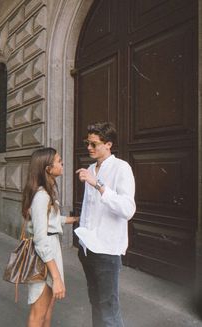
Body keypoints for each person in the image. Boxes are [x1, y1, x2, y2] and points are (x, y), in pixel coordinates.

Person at [75, 122, 136, 327]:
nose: (89, 148)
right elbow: (89, 209)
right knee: (96, 303)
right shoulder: (92, 168)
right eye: (87, 143)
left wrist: (98, 185)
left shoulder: (121, 168)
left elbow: (128, 209)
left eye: (94, 144)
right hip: (87, 249)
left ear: (108, 144)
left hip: (107, 251)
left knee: (109, 309)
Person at [22, 147, 78, 327]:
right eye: (59, 161)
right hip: (44, 257)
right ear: (48, 168)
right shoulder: (41, 197)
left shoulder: (47, 194)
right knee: (39, 313)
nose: (62, 164)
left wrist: (73, 219)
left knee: (48, 309)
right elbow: (40, 240)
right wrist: (56, 277)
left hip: (50, 253)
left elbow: (50, 220)